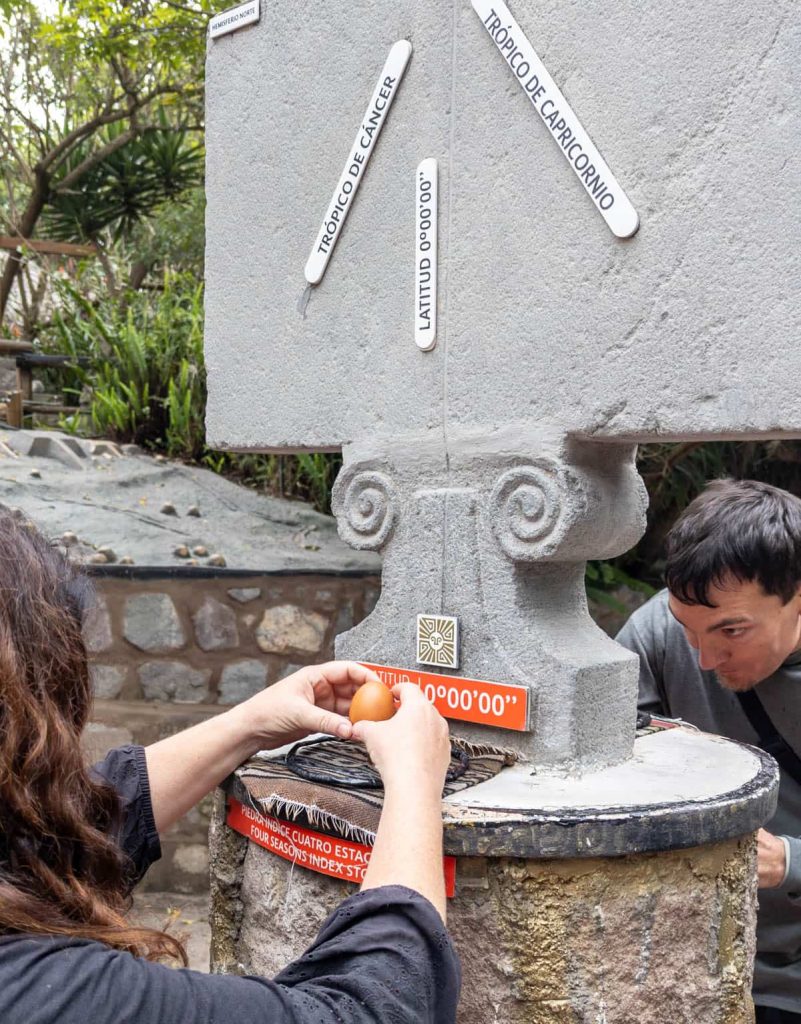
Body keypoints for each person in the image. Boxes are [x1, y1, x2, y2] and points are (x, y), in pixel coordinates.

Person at [0, 508, 460, 1024]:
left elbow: (49, 839)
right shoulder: (56, 994)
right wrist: (416, 782)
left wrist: (249, 724)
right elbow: (372, 1013)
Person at [617, 478, 801, 1024]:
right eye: (687, 629)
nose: (703, 658)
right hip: (697, 963)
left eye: (731, 631)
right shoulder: (656, 632)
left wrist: (789, 862)